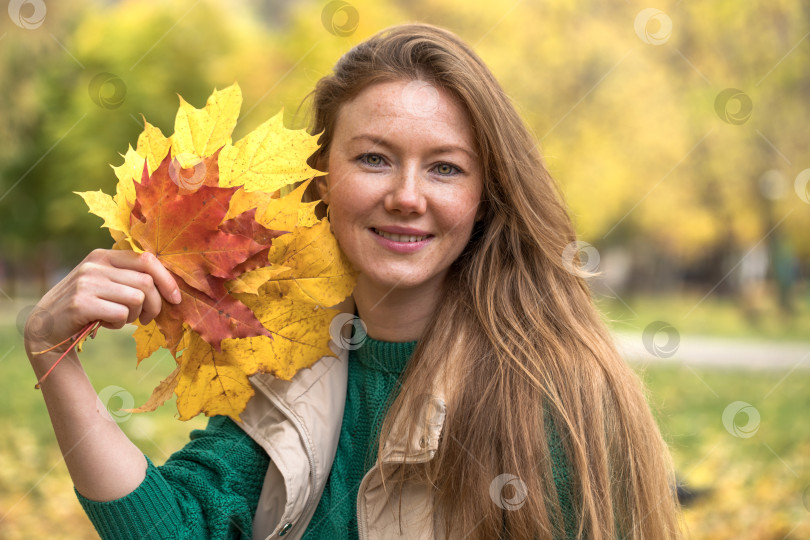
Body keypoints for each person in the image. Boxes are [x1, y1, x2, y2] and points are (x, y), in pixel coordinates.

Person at [24, 23, 682, 539]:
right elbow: (180, 530)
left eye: (446, 168)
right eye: (373, 158)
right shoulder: (280, 353)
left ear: (486, 195)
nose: (406, 195)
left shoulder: (560, 394)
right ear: (321, 180)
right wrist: (56, 361)